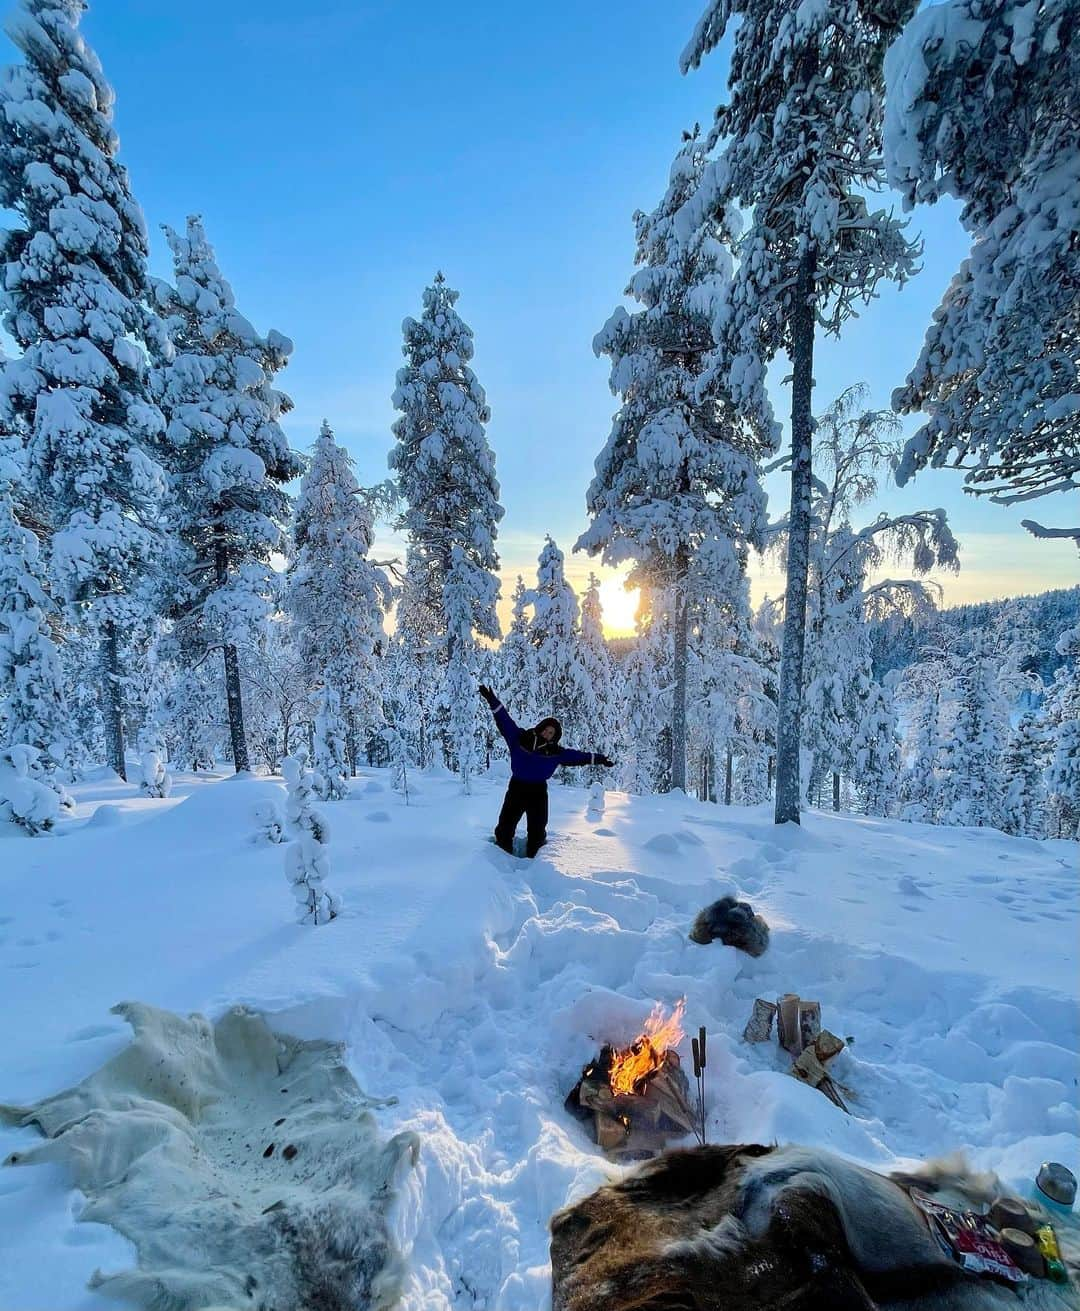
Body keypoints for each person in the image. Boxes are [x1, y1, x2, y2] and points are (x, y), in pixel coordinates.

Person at [479, 685, 614, 857]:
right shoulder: (520, 739)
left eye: (551, 733)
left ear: (555, 737)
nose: (547, 734)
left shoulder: (556, 753)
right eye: (546, 730)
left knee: (537, 828)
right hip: (517, 788)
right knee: (506, 824)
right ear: (540, 727)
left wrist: (600, 759)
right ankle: (501, 857)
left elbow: (578, 757)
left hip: (538, 791)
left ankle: (535, 862)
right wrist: (492, 700)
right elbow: (504, 720)